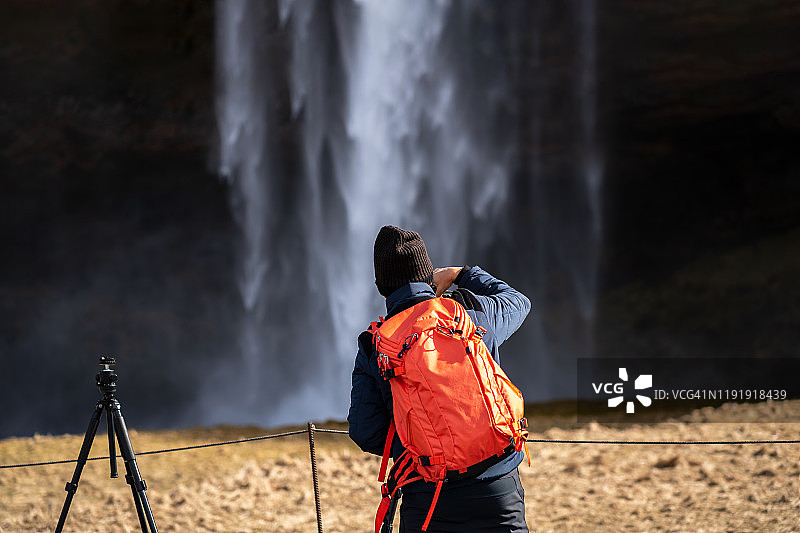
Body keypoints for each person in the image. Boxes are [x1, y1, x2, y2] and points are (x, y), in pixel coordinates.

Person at [348, 225, 531, 533]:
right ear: (427, 275)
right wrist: (462, 274)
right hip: (497, 488)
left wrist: (423, 445)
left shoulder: (374, 344)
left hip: (428, 498)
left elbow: (365, 431)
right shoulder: (472, 312)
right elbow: (518, 301)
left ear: (381, 286)